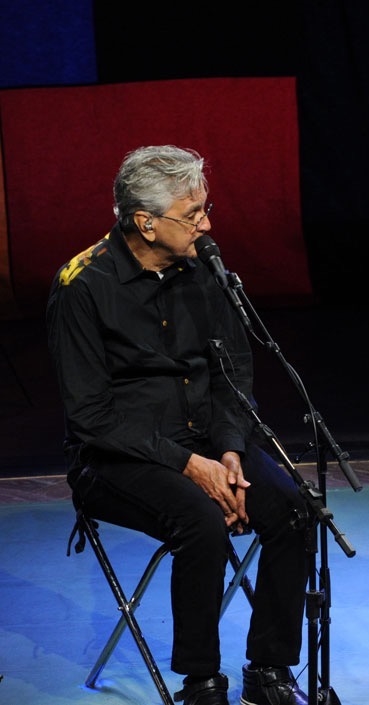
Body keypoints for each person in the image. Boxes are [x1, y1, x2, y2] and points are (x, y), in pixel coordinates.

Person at [46, 145, 311, 705]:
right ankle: (201, 681)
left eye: (205, 209)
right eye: (193, 215)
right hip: (117, 459)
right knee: (200, 519)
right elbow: (90, 416)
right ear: (145, 222)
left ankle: (269, 670)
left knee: (293, 508)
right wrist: (191, 466)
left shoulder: (205, 274)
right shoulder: (83, 287)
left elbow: (232, 376)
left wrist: (231, 451)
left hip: (207, 441)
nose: (207, 225)